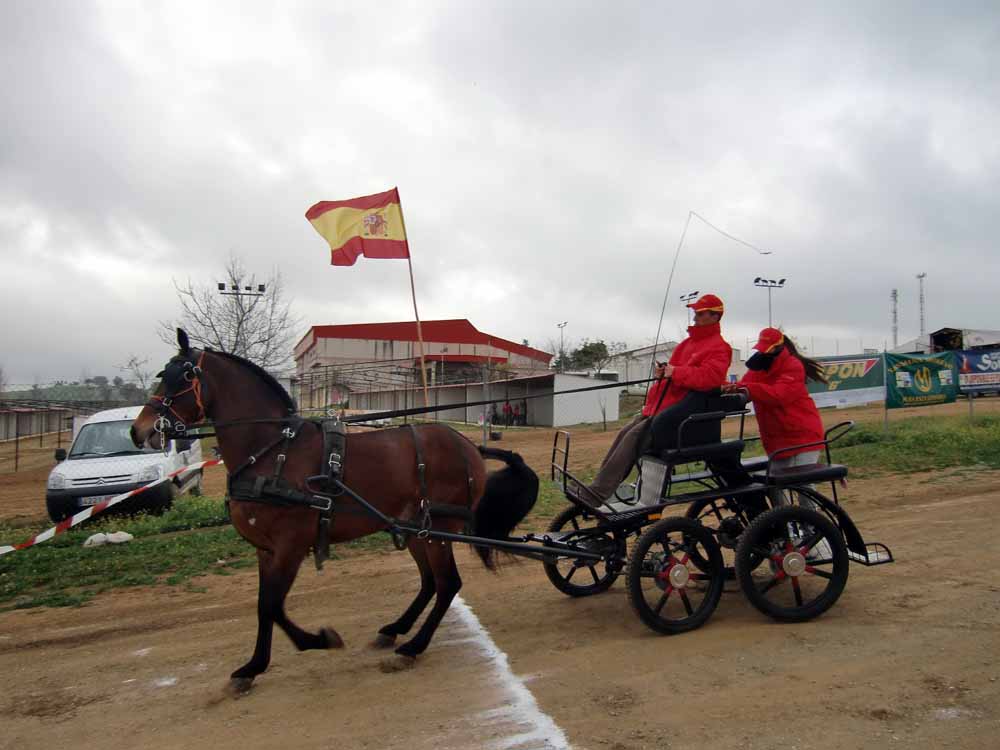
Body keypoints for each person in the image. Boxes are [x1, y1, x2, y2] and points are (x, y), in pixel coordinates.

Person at [578, 293, 733, 504]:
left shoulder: (719, 347)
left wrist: (675, 372)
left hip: (682, 414)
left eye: (700, 312)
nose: (694, 316)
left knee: (634, 438)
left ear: (715, 316)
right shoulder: (687, 344)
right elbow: (674, 371)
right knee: (625, 431)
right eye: (694, 312)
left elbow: (711, 378)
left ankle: (597, 493)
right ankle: (599, 487)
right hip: (662, 407)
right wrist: (664, 372)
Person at [722, 327, 827, 473]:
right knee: (774, 486)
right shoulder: (758, 367)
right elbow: (744, 385)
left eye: (767, 349)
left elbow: (779, 395)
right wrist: (725, 387)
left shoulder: (792, 365)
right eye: (761, 348)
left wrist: (748, 388)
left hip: (802, 437)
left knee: (802, 485)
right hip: (776, 438)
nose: (763, 352)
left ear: (778, 347)